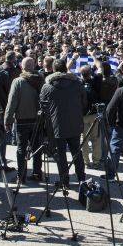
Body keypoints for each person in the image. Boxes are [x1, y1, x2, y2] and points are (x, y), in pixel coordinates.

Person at [39, 59, 87, 188]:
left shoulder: (47, 86)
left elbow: (42, 105)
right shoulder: (77, 84)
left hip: (56, 124)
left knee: (61, 155)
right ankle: (82, 178)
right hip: (74, 123)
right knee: (76, 152)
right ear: (65, 69)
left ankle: (64, 181)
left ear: (53, 70)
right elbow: (84, 102)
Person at [4, 57, 44, 184]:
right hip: (37, 120)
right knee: (37, 147)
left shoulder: (18, 81)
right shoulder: (41, 80)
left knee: (21, 149)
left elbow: (12, 102)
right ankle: (37, 173)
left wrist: (7, 120)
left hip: (22, 120)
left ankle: (21, 176)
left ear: (22, 67)